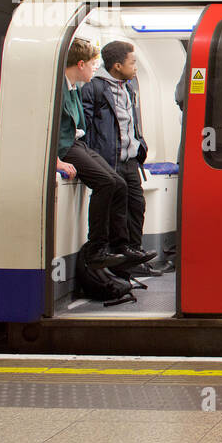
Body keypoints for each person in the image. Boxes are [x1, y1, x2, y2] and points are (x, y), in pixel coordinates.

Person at [56, 38, 137, 271]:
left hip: (77, 144)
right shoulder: (59, 90)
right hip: (66, 149)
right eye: (93, 64)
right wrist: (55, 162)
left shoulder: (73, 89)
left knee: (119, 183)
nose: (95, 69)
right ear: (80, 64)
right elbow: (46, 132)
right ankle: (96, 248)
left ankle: (120, 246)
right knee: (106, 182)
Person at [81, 41, 154, 267]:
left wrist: (139, 144)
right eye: (132, 63)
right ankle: (115, 255)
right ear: (117, 65)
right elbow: (85, 125)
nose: (135, 68)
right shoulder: (94, 88)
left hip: (130, 158)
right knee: (115, 209)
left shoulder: (128, 88)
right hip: (108, 158)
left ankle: (134, 253)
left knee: (136, 205)